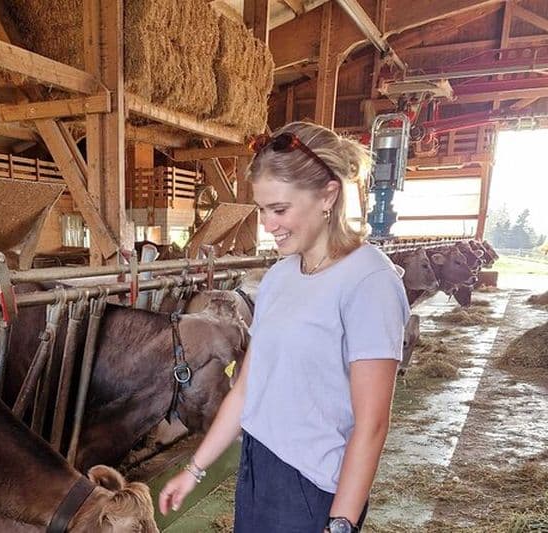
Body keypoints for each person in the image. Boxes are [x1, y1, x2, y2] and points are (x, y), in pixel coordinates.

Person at [158, 121, 410, 533]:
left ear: (328, 195)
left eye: (279, 209)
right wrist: (195, 469)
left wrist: (341, 524)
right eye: (262, 209)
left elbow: (372, 424)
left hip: (314, 486)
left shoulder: (370, 281)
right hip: (259, 465)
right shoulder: (279, 276)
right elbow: (246, 389)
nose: (267, 224)